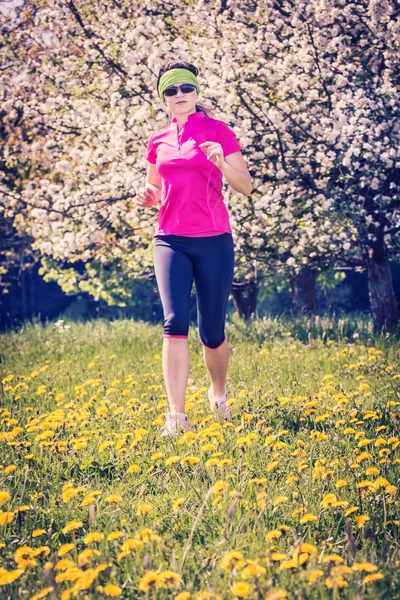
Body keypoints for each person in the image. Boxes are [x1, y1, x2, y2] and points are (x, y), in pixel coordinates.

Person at [136, 61, 252, 436]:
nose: (180, 95)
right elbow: (155, 188)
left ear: (196, 92)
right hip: (169, 238)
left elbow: (245, 186)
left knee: (212, 331)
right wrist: (147, 196)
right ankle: (176, 416)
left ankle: (218, 396)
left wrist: (221, 162)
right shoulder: (158, 140)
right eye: (171, 90)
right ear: (163, 99)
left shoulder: (219, 132)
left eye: (186, 88)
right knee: (174, 323)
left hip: (214, 239)